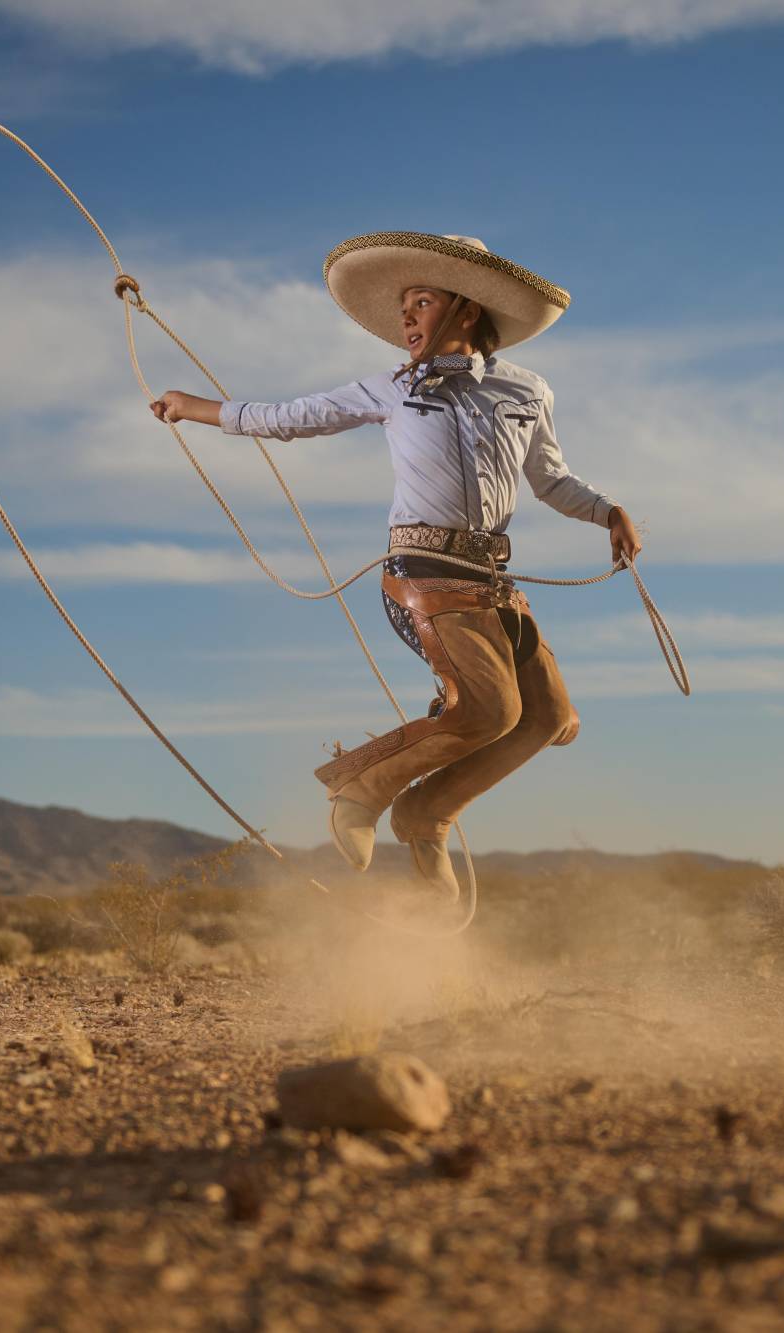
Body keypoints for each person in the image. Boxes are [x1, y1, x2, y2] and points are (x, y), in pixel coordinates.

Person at [150, 232, 641, 900]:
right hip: (419, 574)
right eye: (404, 305)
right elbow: (288, 417)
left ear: (466, 310)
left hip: (491, 582)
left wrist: (607, 512)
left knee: (549, 716)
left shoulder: (527, 392)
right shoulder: (388, 390)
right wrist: (192, 408)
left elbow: (551, 479)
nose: (406, 317)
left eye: (422, 301)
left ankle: (426, 812)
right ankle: (360, 791)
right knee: (491, 710)